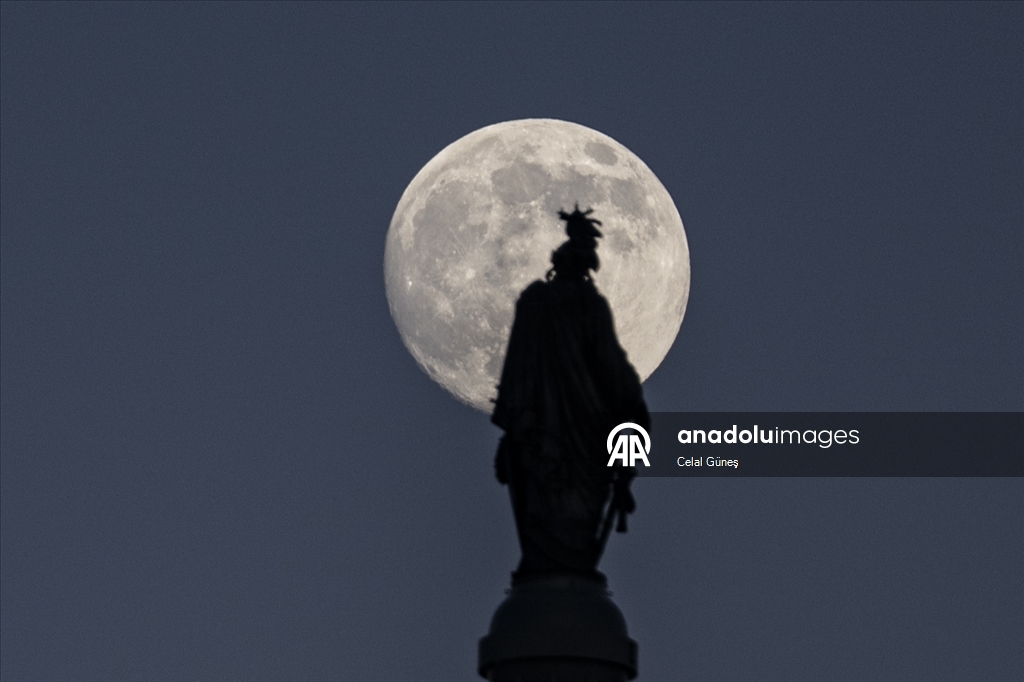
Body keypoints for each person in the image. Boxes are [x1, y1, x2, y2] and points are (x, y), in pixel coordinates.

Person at [492, 205, 650, 582]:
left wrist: (515, 420)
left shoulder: (545, 304)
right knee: (556, 494)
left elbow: (606, 363)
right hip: (556, 426)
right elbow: (611, 369)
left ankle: (564, 567)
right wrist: (633, 408)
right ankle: (557, 567)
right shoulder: (558, 305)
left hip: (567, 426)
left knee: (561, 496)